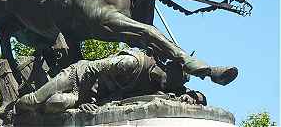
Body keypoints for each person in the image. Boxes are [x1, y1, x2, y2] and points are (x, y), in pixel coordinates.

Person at [15, 49, 207, 114]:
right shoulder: (132, 62)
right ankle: (11, 112)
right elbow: (92, 68)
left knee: (55, 103)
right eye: (172, 83)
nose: (170, 89)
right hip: (78, 75)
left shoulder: (162, 84)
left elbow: (186, 93)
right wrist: (84, 102)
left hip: (90, 97)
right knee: (34, 101)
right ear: (167, 70)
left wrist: (195, 96)